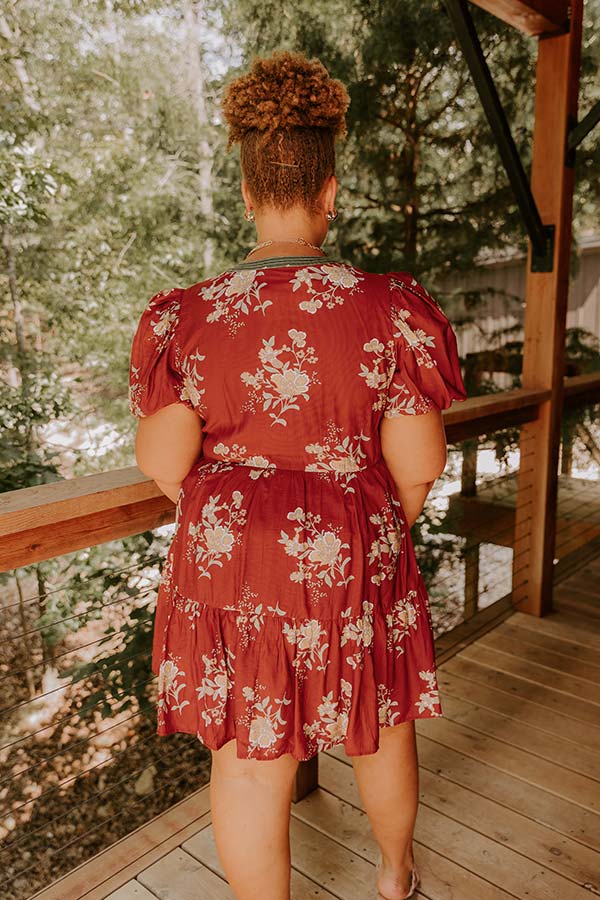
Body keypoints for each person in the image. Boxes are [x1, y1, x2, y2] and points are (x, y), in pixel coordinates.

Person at [128, 49, 467, 900]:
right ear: (330, 192)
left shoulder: (187, 316)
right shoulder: (389, 307)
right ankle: (395, 878)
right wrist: (367, 521)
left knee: (248, 760)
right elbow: (419, 465)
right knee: (379, 720)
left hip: (234, 557)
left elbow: (165, 462)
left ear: (247, 192)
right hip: (354, 545)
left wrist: (235, 506)